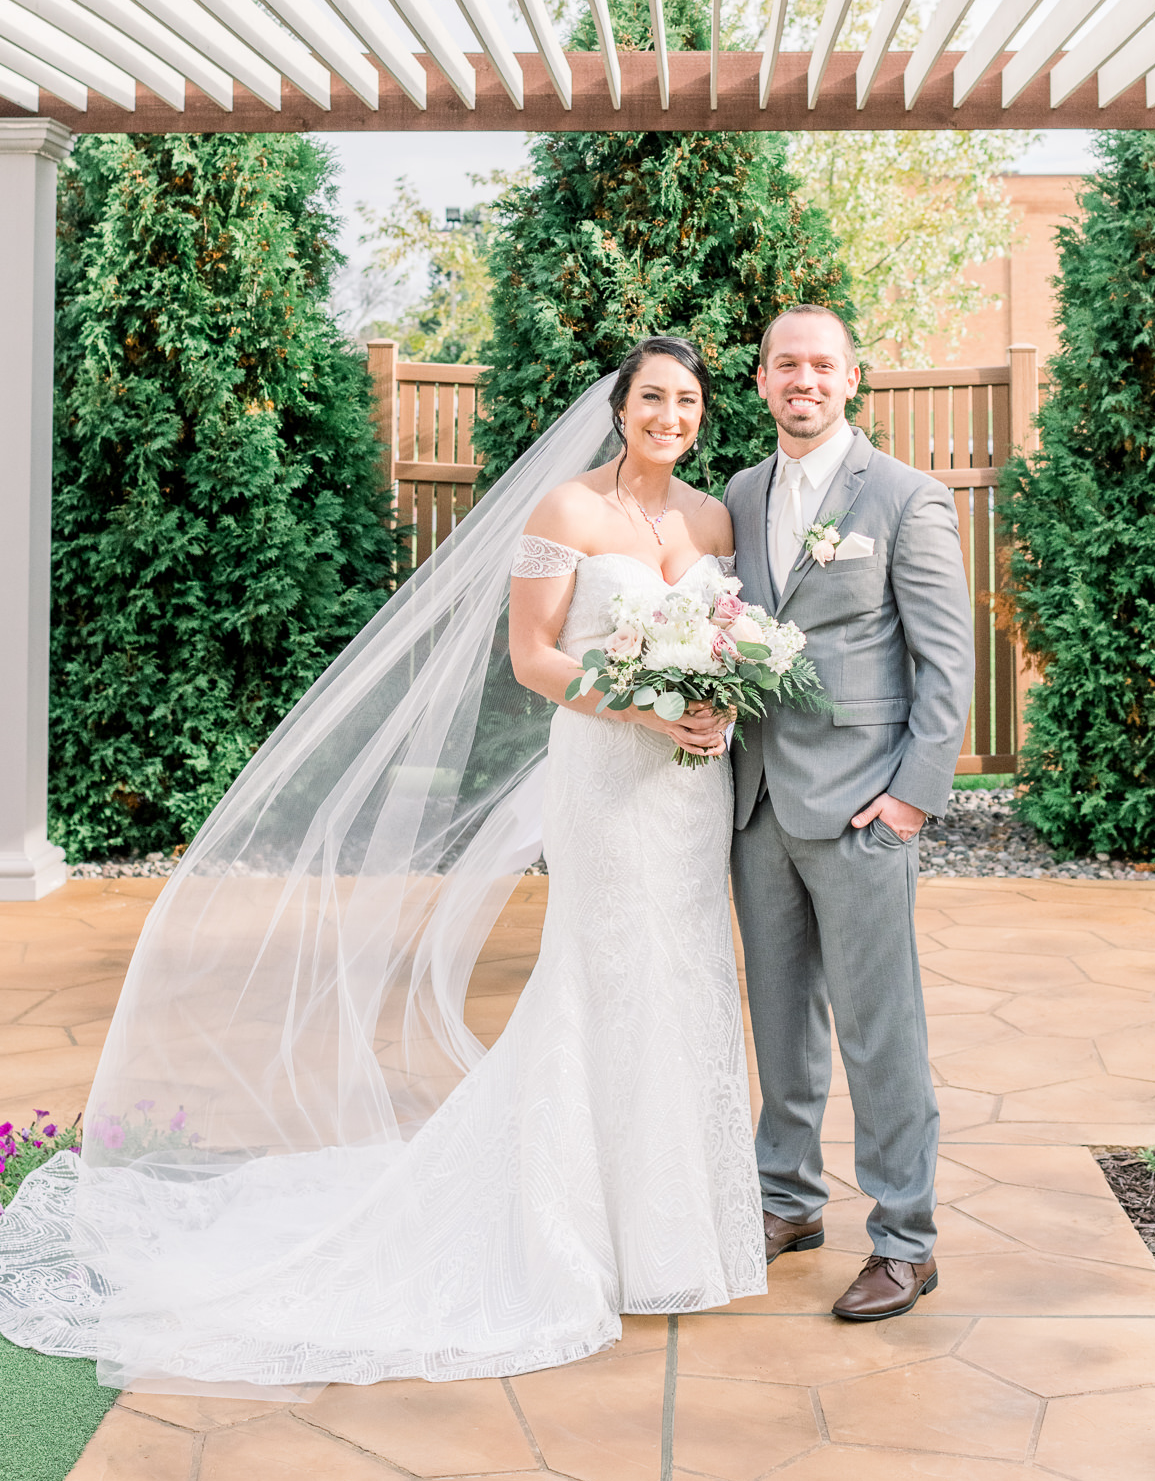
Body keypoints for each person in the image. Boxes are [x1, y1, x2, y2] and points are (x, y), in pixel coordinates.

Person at [0, 338, 764, 1393]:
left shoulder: (711, 520)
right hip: (605, 775)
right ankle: (573, 1224)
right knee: (601, 978)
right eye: (651, 398)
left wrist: (713, 707)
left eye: (685, 400)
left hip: (689, 789)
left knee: (682, 980)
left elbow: (729, 638)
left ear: (701, 413)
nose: (668, 415)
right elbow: (532, 656)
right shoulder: (565, 513)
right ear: (619, 408)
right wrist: (642, 702)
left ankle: (673, 1235)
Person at [725, 305, 975, 1322]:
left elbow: (945, 662)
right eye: (786, 364)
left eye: (821, 365)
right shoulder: (739, 495)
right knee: (778, 1022)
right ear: (760, 380)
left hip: (865, 810)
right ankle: (785, 1202)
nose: (804, 380)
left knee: (880, 1031)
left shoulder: (906, 499)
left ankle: (904, 1238)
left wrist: (910, 800)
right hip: (755, 805)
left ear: (850, 379)